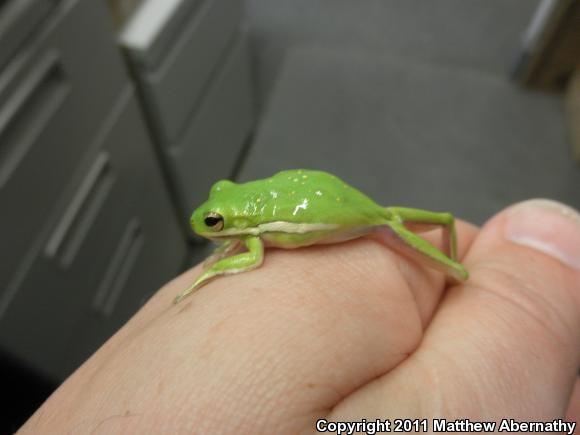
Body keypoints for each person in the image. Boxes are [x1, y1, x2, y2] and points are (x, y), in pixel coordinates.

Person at [18, 199, 580, 434]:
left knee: (432, 243)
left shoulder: (253, 240)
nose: (211, 229)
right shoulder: (251, 224)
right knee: (425, 219)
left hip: (357, 216)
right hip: (349, 204)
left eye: (217, 223)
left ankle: (457, 271)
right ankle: (450, 263)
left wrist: (216, 269)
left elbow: (255, 255)